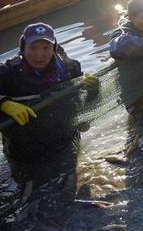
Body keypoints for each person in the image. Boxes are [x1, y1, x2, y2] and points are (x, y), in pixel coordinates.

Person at [0, 23, 97, 194]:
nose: (39, 54)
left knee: (67, 185)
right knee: (29, 191)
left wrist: (92, 89)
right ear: (23, 47)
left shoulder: (70, 67)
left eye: (46, 47)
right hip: (24, 149)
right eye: (33, 47)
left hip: (65, 139)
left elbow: (81, 102)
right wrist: (4, 103)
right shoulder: (7, 73)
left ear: (54, 47)